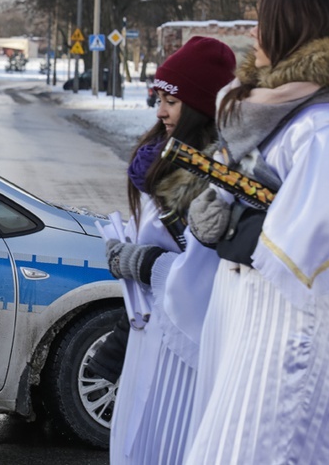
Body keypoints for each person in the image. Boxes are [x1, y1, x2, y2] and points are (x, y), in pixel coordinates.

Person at [183, 0, 329, 463]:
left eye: (265, 22)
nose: (255, 36)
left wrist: (259, 211)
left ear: (292, 30)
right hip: (267, 316)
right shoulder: (283, 116)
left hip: (303, 323)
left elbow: (326, 235)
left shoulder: (327, 127)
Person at [101, 36, 236, 464]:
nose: (160, 111)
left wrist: (144, 264)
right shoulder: (155, 160)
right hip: (149, 332)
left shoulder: (215, 177)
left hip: (185, 348)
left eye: (171, 102)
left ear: (197, 106)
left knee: (171, 442)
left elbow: (212, 274)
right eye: (158, 98)